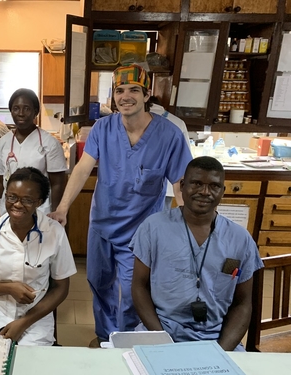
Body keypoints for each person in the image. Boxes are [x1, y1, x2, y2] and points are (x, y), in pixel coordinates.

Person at [48, 64, 192, 345]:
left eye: (134, 90)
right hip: (102, 224)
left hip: (141, 232)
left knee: (131, 290)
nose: (126, 96)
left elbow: (180, 184)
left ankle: (126, 338)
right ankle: (104, 335)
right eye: (120, 90)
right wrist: (63, 208)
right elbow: (82, 168)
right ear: (113, 97)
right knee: (98, 282)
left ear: (146, 94)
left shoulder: (169, 135)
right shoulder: (103, 128)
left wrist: (185, 227)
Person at [131, 156, 263, 351]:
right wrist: (161, 340)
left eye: (214, 186)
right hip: (160, 331)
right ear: (183, 186)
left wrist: (221, 352)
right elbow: (139, 287)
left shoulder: (240, 239)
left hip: (217, 338)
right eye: (197, 183)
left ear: (222, 192)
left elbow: (243, 303)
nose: (204, 192)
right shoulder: (153, 228)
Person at [0, 167, 76, 345]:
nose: (17, 204)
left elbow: (61, 288)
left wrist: (24, 322)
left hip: (35, 318)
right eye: (12, 197)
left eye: (27, 200)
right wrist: (9, 288)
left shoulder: (54, 233)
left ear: (39, 202)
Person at [0, 88, 67, 217]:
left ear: (35, 112)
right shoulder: (3, 143)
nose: (21, 113)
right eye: (16, 108)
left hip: (40, 211)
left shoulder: (49, 143)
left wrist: (56, 214)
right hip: (9, 211)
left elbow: (57, 183)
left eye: (26, 108)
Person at [148, 96, 191, 210]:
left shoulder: (137, 120)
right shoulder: (178, 122)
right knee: (162, 219)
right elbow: (184, 161)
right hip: (171, 185)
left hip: (143, 184)